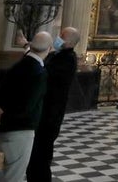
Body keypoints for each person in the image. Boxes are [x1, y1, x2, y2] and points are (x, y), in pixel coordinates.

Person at [0, 31, 53, 182]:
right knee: (14, 176)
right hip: (20, 130)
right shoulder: (39, 73)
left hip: (2, 129)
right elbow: (27, 106)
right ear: (50, 48)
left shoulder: (18, 65)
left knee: (3, 173)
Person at [27, 27, 81, 182]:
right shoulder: (56, 55)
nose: (58, 38)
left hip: (50, 115)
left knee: (41, 155)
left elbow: (43, 70)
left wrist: (27, 48)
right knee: (35, 155)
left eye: (62, 36)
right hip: (43, 111)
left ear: (69, 41)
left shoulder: (68, 59)